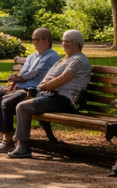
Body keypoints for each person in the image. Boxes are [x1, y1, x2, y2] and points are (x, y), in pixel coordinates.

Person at [8, 30, 94, 159]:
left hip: (65, 101)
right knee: (19, 102)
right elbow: (50, 77)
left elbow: (62, 79)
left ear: (74, 43)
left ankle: (23, 146)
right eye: (63, 41)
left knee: (23, 107)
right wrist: (45, 86)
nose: (63, 44)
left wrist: (45, 86)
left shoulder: (78, 60)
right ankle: (14, 141)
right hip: (54, 97)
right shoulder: (65, 60)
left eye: (66, 41)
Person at [0, 27, 58, 152]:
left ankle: (8, 141)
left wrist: (19, 79)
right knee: (0, 98)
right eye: (33, 39)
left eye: (37, 39)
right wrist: (18, 79)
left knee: (6, 101)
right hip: (22, 88)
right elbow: (23, 72)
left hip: (33, 91)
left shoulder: (52, 56)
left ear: (47, 41)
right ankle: (7, 138)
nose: (34, 42)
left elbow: (34, 72)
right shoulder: (32, 56)